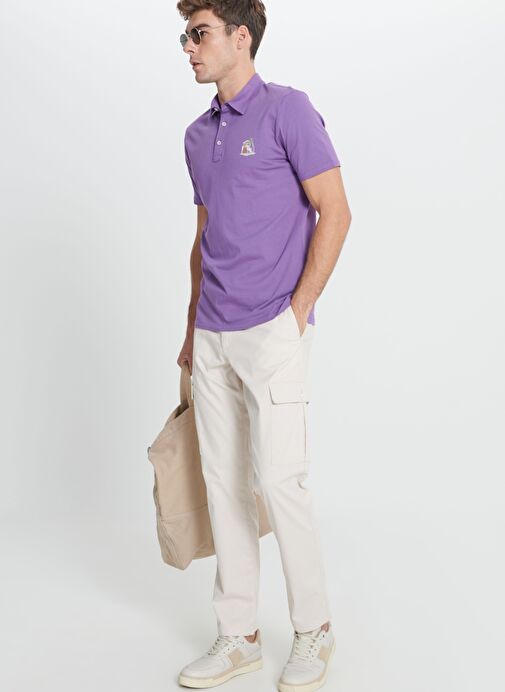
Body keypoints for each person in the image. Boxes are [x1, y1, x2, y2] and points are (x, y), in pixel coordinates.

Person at [175, 1, 352, 689]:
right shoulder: (197, 135)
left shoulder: (288, 110)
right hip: (212, 334)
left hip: (272, 329)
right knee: (224, 486)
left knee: (281, 483)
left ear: (240, 37)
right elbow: (203, 238)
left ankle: (314, 630)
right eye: (185, 35)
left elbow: (335, 211)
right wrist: (189, 332)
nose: (188, 47)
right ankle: (239, 635)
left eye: (200, 33)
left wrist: (297, 312)